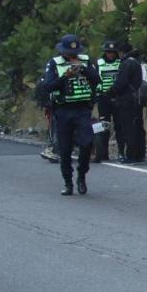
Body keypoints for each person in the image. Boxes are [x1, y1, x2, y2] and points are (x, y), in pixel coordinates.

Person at [40, 34, 100, 195]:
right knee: (65, 149)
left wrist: (82, 68)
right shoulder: (54, 63)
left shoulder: (86, 61)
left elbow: (97, 79)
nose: (73, 55)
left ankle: (82, 175)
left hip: (82, 109)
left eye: (75, 52)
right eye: (69, 53)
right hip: (63, 110)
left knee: (87, 143)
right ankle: (68, 182)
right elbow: (48, 86)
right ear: (63, 51)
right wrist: (65, 77)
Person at [108, 42, 146, 163]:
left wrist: (110, 93)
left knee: (129, 128)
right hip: (138, 100)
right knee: (138, 127)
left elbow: (120, 83)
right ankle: (140, 154)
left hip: (127, 101)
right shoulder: (137, 62)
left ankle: (131, 156)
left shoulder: (127, 63)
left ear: (121, 52)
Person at [94, 40, 124, 161]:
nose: (110, 54)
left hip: (118, 98)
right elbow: (94, 79)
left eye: (112, 52)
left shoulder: (121, 63)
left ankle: (121, 152)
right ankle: (103, 153)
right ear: (105, 52)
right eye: (108, 52)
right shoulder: (98, 63)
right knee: (103, 126)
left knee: (120, 126)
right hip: (103, 99)